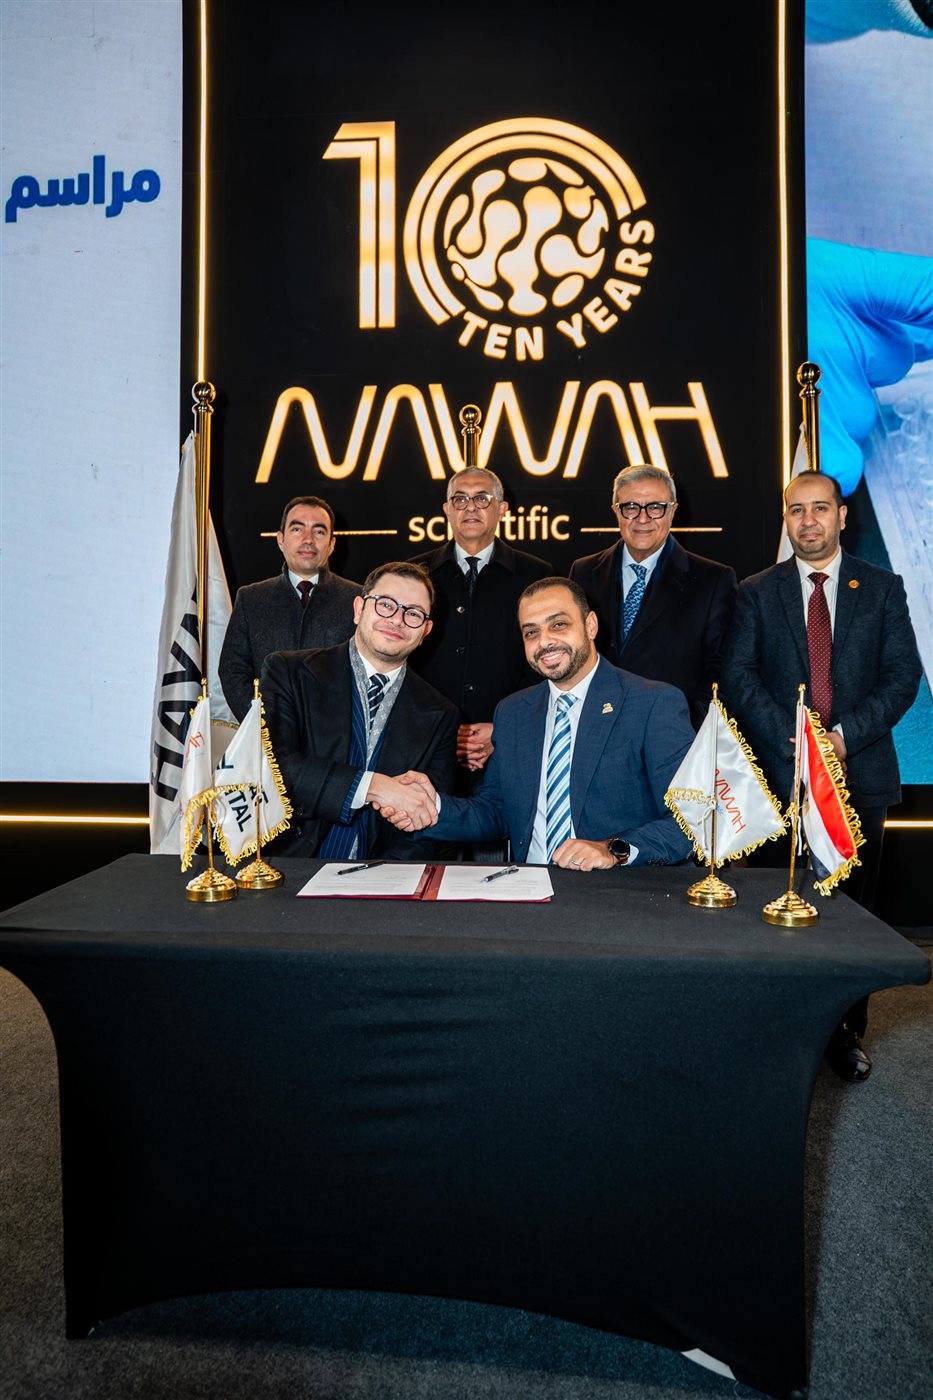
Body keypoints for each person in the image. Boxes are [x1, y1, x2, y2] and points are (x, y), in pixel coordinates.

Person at [721, 471, 922, 1081]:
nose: (808, 521)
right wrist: (793, 739)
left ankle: (845, 1034)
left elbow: (901, 678)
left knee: (850, 914)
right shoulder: (757, 591)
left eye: (820, 509)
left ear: (841, 516)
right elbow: (738, 676)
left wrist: (838, 739)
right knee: (772, 906)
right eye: (796, 510)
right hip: (778, 774)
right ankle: (776, 1030)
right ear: (786, 518)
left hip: (858, 775)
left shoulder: (882, 588)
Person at [376, 578, 695, 869]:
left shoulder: (653, 704)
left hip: (617, 895)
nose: (545, 642)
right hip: (528, 892)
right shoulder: (513, 712)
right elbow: (496, 811)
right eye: (531, 632)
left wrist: (612, 850)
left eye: (559, 625)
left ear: (591, 625)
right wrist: (430, 807)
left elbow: (691, 819)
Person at [261, 562, 458, 860]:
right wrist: (372, 786)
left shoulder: (441, 713)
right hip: (290, 865)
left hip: (381, 875)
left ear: (426, 631)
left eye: (413, 613)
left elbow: (425, 822)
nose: (397, 620)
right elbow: (274, 767)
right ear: (358, 609)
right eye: (385, 605)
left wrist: (387, 878)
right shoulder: (289, 672)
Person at [569, 464, 737, 729]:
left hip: (670, 733)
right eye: (631, 507)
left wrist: (684, 727)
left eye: (655, 507)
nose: (642, 518)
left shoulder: (713, 580)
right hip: (594, 728)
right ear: (616, 511)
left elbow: (722, 672)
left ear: (672, 511)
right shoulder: (583, 572)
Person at [409, 468, 551, 775]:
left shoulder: (536, 575)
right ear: (447, 510)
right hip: (427, 744)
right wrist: (442, 728)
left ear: (502, 509)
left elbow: (545, 661)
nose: (470, 507)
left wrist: (502, 726)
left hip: (511, 745)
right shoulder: (414, 575)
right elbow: (400, 660)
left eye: (482, 499)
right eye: (460, 499)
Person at [219, 495, 359, 720]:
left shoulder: (358, 600)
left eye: (319, 531)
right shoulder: (251, 599)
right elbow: (232, 671)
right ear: (280, 540)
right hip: (266, 733)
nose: (308, 539)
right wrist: (262, 725)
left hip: (337, 735)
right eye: (297, 529)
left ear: (332, 544)